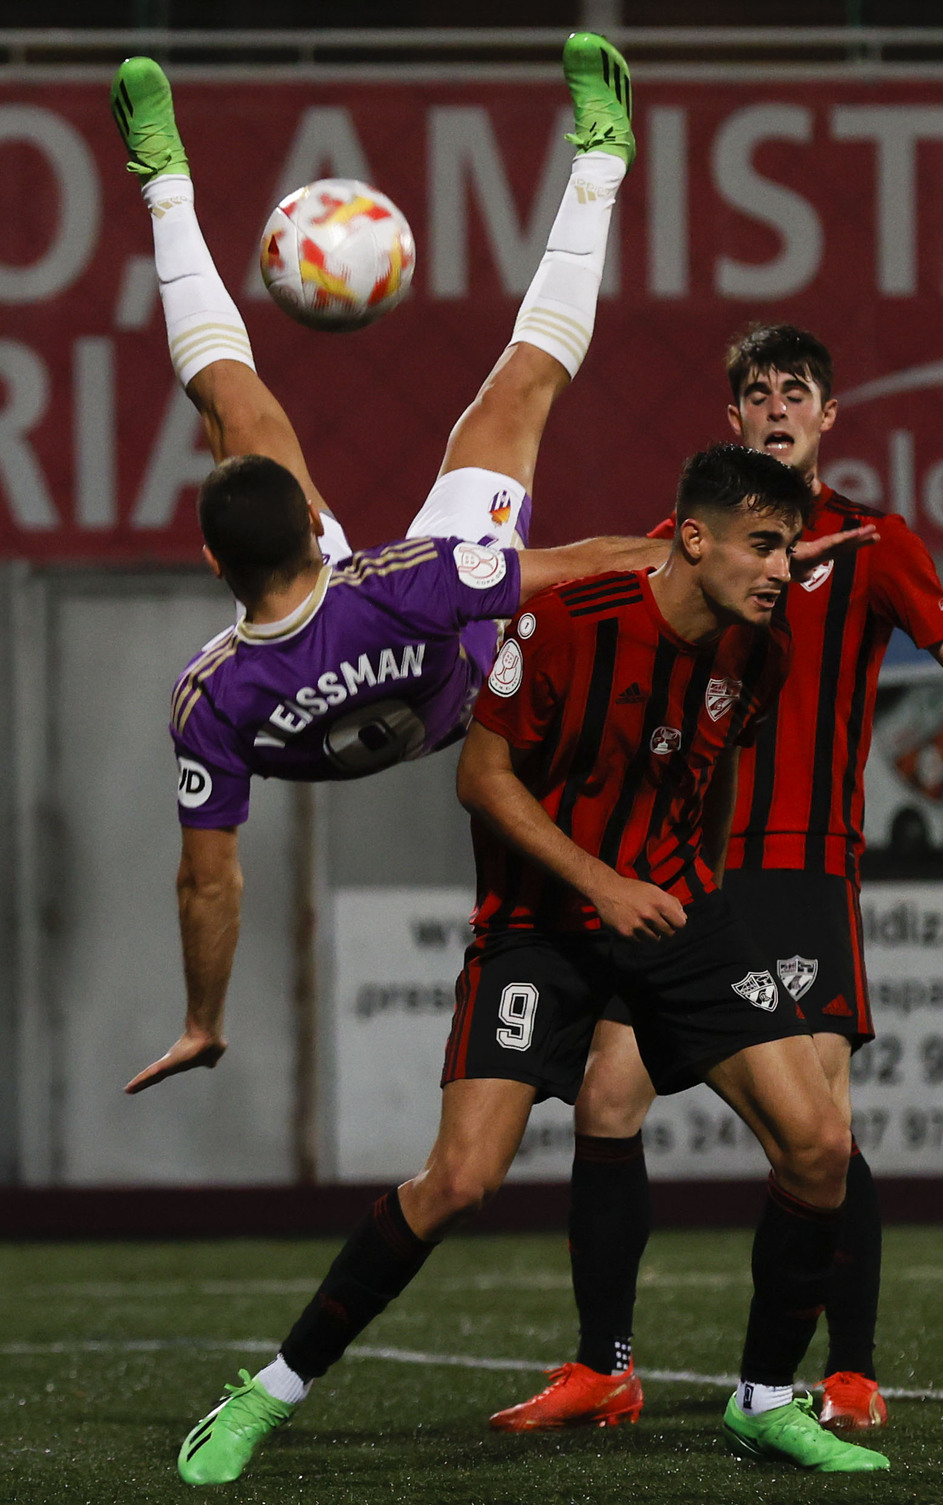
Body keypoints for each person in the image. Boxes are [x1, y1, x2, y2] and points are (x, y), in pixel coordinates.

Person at [168, 435, 889, 1484]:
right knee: (459, 1178)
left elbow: (713, 773)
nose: (783, 568)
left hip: (673, 910)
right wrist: (599, 881)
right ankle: (267, 1389)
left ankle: (764, 1397)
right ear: (692, 538)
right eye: (763, 545)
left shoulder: (757, 646)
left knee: (818, 1143)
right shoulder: (567, 623)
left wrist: (701, 888)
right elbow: (483, 778)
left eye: (788, 547)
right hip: (539, 924)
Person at [112, 36, 675, 1098]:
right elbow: (595, 563)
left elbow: (208, 880)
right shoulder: (407, 581)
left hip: (351, 673)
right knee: (519, 389)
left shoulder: (209, 701)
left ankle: (161, 180)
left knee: (233, 401)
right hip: (447, 660)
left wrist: (202, 1018)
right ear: (317, 525)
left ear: (210, 560)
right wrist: (705, 553)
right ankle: (601, 160)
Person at [490, 321, 943, 1438]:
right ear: (734, 421)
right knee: (607, 1100)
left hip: (799, 865)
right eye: (758, 392)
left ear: (828, 415)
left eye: (796, 391)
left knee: (816, 1126)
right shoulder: (697, 545)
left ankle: (850, 1368)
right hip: (678, 870)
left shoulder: (874, 543)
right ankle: (603, 1363)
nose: (776, 407)